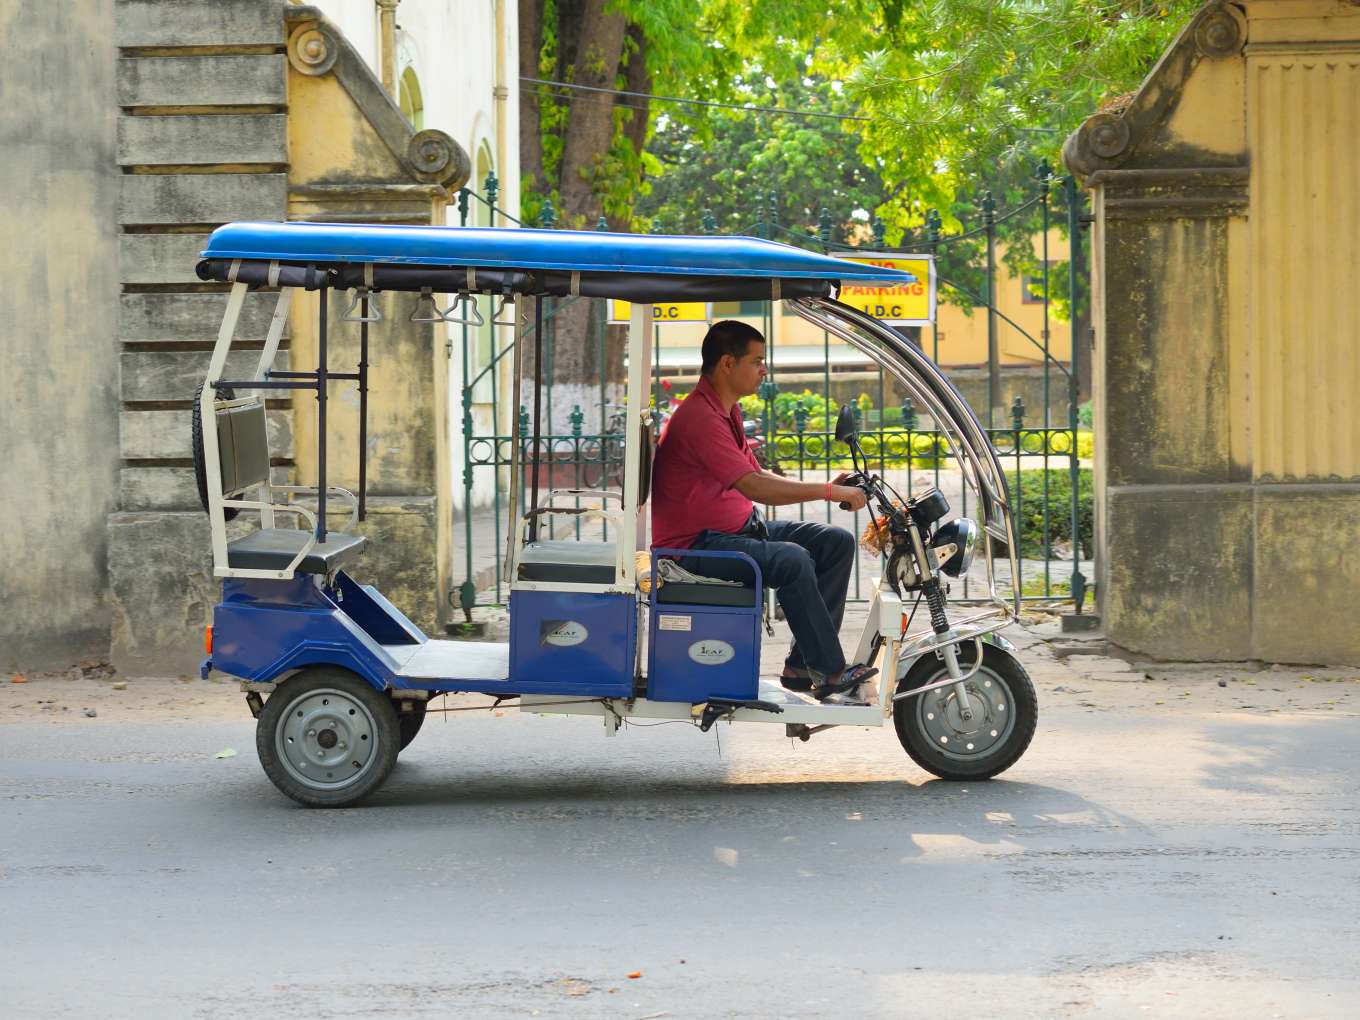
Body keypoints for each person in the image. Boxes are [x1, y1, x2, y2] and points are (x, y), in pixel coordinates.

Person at [650, 319, 877, 700]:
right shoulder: (701, 418)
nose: (764, 370)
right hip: (694, 549)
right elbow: (755, 487)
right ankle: (830, 671)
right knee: (791, 560)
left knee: (835, 542)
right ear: (727, 364)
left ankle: (802, 665)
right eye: (757, 361)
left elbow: (754, 472)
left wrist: (831, 483)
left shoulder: (725, 410)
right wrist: (825, 491)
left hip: (734, 531)